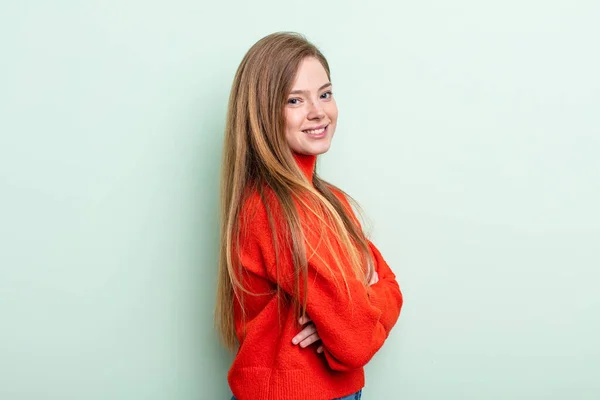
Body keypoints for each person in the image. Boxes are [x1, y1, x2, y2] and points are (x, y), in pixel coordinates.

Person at [215, 31, 404, 400]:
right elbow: (358, 338)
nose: (318, 111)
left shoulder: (328, 201)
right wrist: (355, 312)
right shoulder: (281, 211)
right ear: (263, 113)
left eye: (325, 93)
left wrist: (351, 314)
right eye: (294, 100)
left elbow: (388, 283)